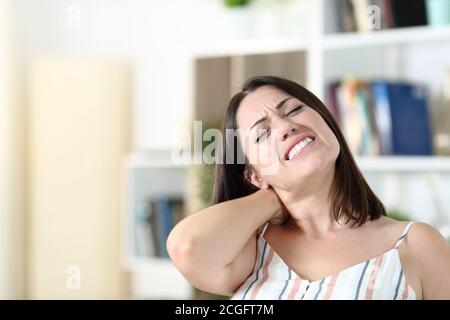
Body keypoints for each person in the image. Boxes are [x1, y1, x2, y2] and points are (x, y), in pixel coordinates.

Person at [167, 76, 450, 300]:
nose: (285, 126)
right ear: (253, 175)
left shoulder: (415, 244)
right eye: (263, 133)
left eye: (293, 109)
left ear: (326, 121)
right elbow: (186, 246)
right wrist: (272, 199)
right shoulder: (251, 249)